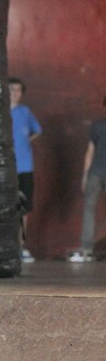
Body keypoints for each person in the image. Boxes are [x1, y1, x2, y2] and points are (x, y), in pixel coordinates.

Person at [68, 96, 106, 263]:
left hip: (95, 172)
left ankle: (87, 249)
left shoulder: (97, 126)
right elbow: (90, 151)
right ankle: (86, 248)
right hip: (95, 172)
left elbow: (90, 151)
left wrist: (86, 175)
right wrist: (85, 175)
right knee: (89, 210)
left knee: (89, 210)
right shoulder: (97, 126)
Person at [9, 77, 42, 262]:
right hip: (5, 169)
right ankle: (6, 246)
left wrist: (24, 141)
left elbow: (37, 130)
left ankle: (21, 246)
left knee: (23, 208)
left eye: (18, 90)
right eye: (11, 89)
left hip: (25, 167)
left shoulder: (25, 112)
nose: (14, 93)